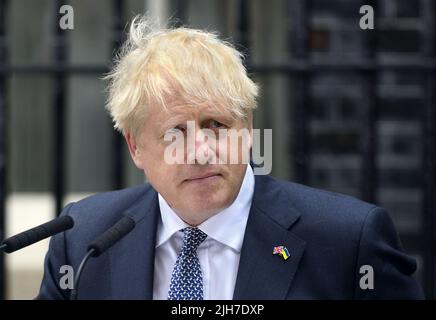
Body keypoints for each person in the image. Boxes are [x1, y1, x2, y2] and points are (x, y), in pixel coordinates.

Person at [37, 16, 424, 300]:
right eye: (175, 133)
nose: (202, 150)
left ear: (248, 127)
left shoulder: (348, 240)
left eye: (217, 125)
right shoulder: (83, 241)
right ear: (136, 147)